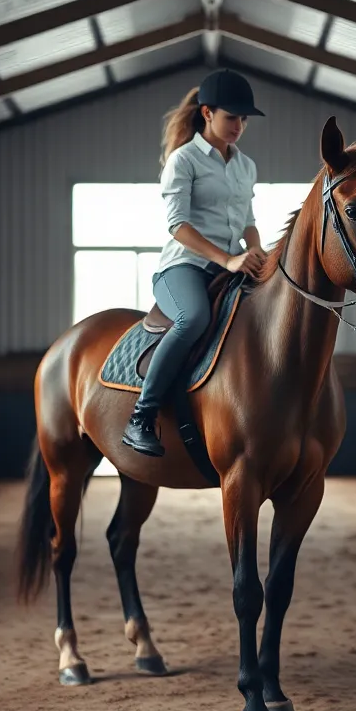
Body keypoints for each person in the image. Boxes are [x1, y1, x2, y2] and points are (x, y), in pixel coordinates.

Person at [122, 69, 268, 457]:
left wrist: (256, 252)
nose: (239, 125)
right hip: (182, 268)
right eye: (231, 117)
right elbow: (178, 226)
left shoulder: (246, 166)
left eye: (243, 119)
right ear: (207, 113)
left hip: (231, 263)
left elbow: (248, 221)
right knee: (194, 318)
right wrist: (229, 259)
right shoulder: (183, 160)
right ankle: (141, 417)